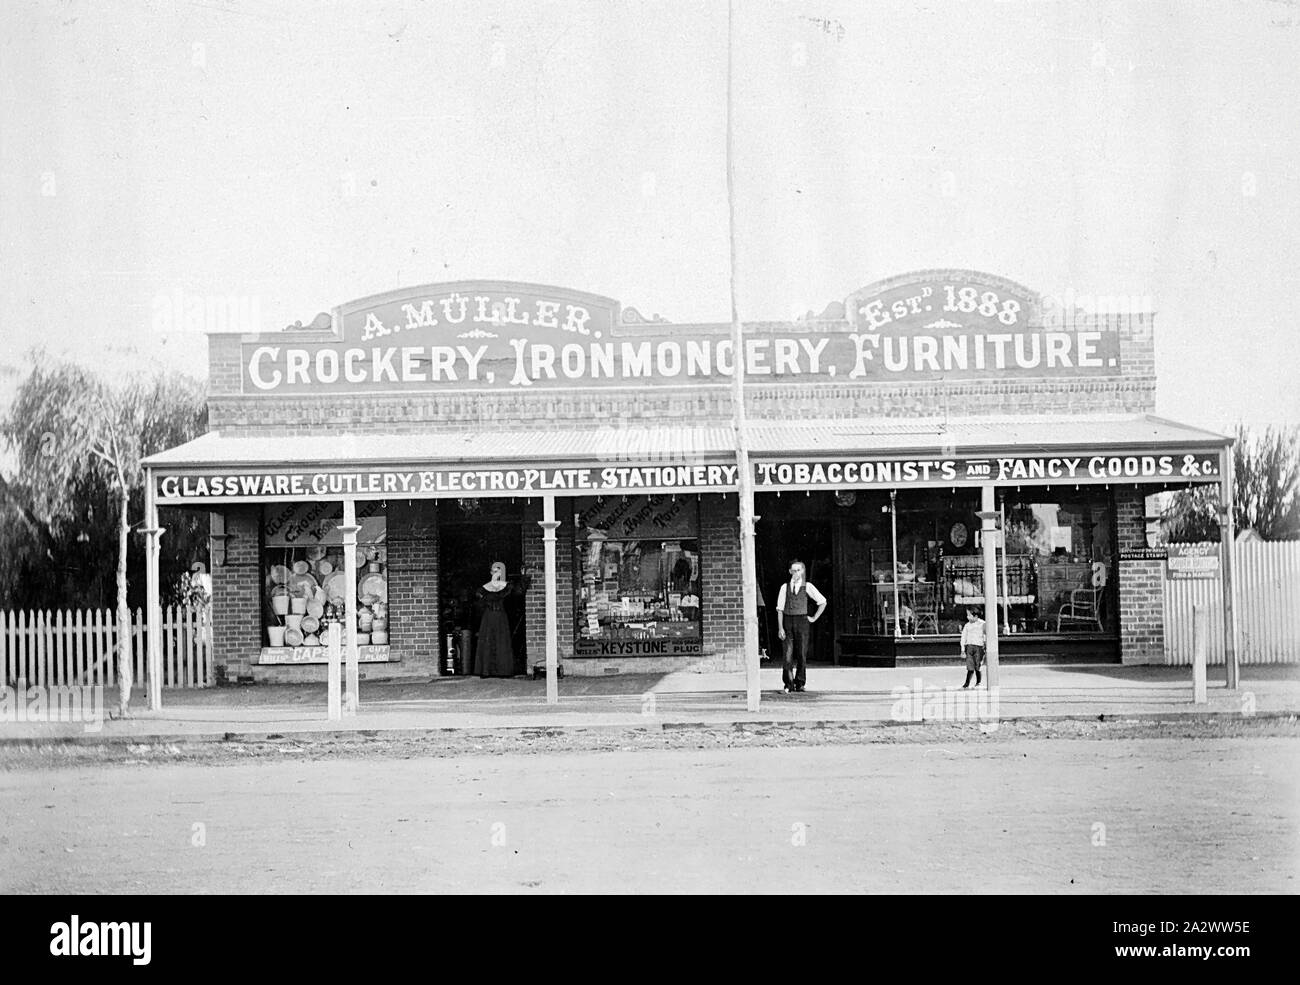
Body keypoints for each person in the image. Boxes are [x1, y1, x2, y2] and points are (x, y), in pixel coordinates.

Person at [776, 560, 826, 693]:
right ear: (789, 572)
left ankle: (800, 683)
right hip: (787, 621)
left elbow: (822, 602)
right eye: (793, 570)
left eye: (798, 570)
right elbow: (780, 609)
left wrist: (814, 617)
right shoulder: (784, 587)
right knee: (787, 654)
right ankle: (788, 683)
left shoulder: (808, 586)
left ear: (803, 571)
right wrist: (780, 628)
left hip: (802, 622)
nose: (796, 573)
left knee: (802, 654)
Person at [474, 561, 531, 678]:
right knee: (488, 642)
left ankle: (503, 671)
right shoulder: (483, 589)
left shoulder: (507, 587)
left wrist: (523, 576)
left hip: (501, 618)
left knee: (502, 642)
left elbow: (519, 592)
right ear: (490, 572)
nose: (496, 573)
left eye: (498, 571)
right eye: (494, 571)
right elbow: (478, 605)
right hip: (488, 618)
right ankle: (486, 671)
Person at [960, 607, 986, 688]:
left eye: (969, 615)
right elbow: (963, 637)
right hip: (969, 647)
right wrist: (963, 649)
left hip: (979, 647)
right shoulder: (967, 625)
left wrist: (985, 645)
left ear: (976, 616)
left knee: (978, 666)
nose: (968, 617)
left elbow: (985, 635)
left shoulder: (983, 624)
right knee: (970, 666)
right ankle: (967, 683)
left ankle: (978, 682)